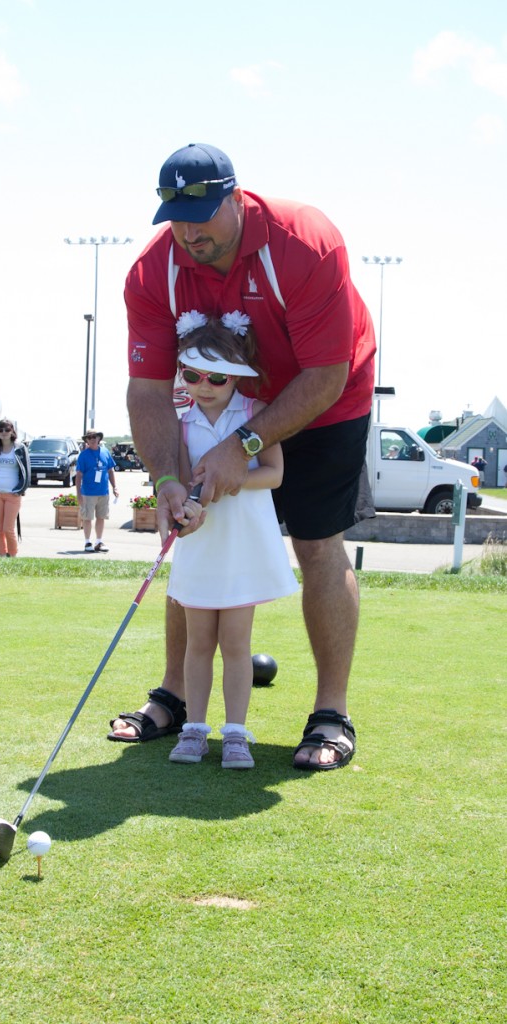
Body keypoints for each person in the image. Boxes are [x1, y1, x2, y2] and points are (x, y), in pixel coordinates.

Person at [109, 142, 375, 770]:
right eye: (176, 216)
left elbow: (324, 375)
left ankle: (330, 714)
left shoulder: (303, 242)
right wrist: (167, 477)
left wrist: (245, 445)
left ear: (235, 197)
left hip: (325, 399)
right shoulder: (152, 273)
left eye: (201, 213)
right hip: (214, 405)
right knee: (190, 535)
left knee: (317, 544)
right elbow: (147, 391)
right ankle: (176, 697)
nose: (189, 231)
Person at [165, 312, 298, 769]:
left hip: (242, 544)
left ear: (237, 374)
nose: (204, 386)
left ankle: (236, 735)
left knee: (237, 644)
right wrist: (187, 506)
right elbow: (182, 480)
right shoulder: (182, 424)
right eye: (192, 375)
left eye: (217, 377)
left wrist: (233, 478)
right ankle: (194, 730)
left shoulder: (256, 414)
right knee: (198, 642)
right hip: (201, 543)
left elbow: (275, 474)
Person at [0, 420, 31, 557]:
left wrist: (20, 490)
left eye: (6, 430)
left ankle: (13, 555)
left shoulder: (20, 448)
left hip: (13, 494)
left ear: (12, 431)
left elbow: (27, 472)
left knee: (8, 528)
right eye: (0, 430)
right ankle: (2, 556)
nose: (3, 433)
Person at [75, 431, 118, 552]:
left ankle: (99, 542)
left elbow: (110, 470)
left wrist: (115, 487)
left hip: (103, 492)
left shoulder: (105, 452)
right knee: (87, 518)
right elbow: (78, 475)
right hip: (88, 493)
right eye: (89, 437)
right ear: (86, 440)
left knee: (101, 517)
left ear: (99, 438)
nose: (92, 439)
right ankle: (87, 542)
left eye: (95, 437)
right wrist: (78, 494)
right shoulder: (83, 455)